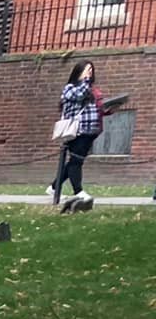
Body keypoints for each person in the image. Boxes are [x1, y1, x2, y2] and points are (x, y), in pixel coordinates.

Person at [52, 60, 104, 211]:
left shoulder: (90, 89)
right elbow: (79, 95)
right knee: (76, 162)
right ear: (78, 72)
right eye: (86, 70)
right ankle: (78, 192)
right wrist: (86, 81)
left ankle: (54, 187)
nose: (90, 73)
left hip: (89, 131)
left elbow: (95, 108)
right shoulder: (70, 88)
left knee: (75, 161)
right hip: (76, 130)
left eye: (91, 70)